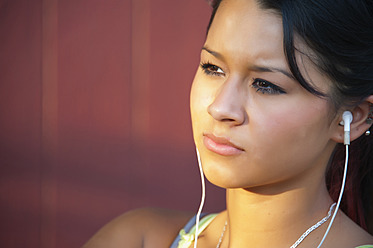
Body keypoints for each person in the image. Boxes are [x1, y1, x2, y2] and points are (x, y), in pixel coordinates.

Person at [82, 0, 373, 247]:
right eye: (213, 68)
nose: (220, 107)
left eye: (265, 85)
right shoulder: (137, 239)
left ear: (352, 118)